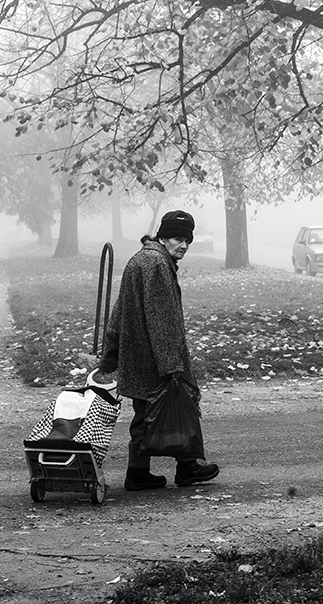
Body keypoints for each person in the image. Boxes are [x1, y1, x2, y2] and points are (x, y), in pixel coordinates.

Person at [96, 210, 220, 491]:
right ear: (162, 236)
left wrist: (111, 354)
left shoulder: (141, 259)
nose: (183, 245)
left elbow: (119, 310)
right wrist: (173, 368)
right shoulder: (157, 265)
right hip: (156, 357)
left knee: (144, 413)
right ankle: (187, 467)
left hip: (138, 355)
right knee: (182, 405)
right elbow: (162, 319)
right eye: (178, 238)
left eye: (187, 240)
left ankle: (138, 473)